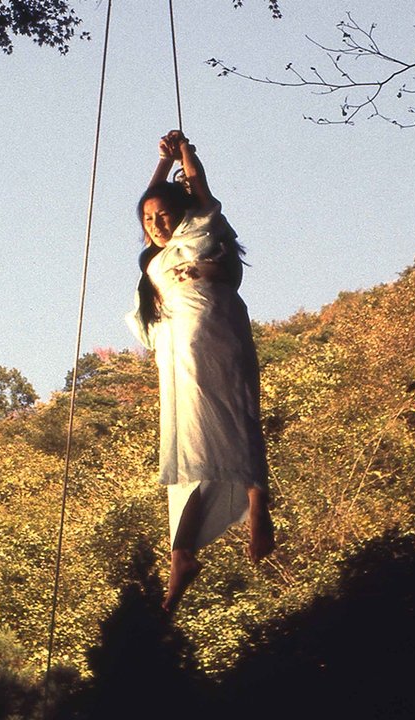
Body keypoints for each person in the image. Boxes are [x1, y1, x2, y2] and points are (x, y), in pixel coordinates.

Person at [127, 130, 276, 612]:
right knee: (186, 445)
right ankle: (181, 557)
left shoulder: (199, 229)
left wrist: (184, 154)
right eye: (149, 220)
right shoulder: (155, 259)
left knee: (233, 413)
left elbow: (199, 189)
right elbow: (146, 207)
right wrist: (158, 170)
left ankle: (258, 509)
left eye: (164, 215)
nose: (156, 224)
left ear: (183, 212)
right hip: (175, 350)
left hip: (212, 328)